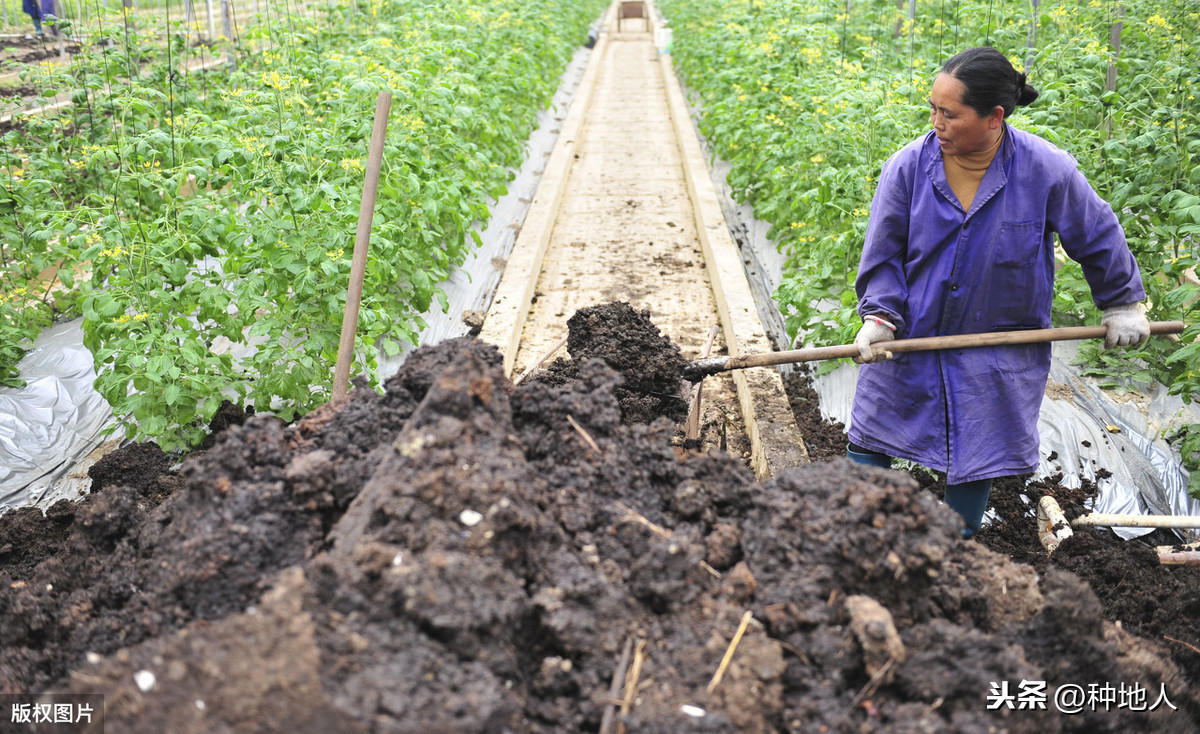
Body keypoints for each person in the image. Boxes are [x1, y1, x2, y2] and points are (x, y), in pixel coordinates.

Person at [847, 46, 1150, 538]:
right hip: (912, 333)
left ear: (994, 117)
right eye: (933, 109)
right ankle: (859, 535)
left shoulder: (1044, 169)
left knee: (977, 447)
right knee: (873, 428)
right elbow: (883, 255)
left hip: (998, 341)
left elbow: (1096, 232)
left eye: (949, 113)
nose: (936, 122)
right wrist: (880, 317)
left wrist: (1121, 303)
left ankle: (955, 546)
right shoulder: (907, 168)